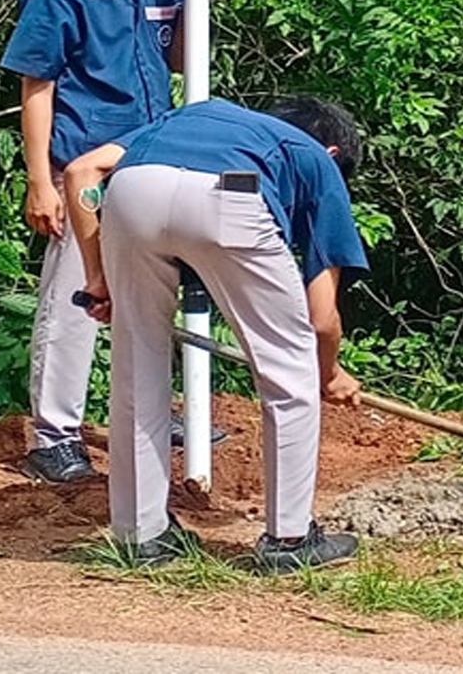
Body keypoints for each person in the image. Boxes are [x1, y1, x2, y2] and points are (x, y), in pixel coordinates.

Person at [63, 95, 367, 571]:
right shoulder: (313, 158)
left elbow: (81, 172)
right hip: (233, 196)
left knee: (137, 370)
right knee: (290, 375)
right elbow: (321, 320)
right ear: (332, 152)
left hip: (131, 194)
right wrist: (327, 374)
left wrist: (98, 278)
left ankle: (141, 537)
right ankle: (290, 541)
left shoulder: (195, 115)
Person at [1, 0, 220, 484]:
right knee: (77, 299)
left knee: (152, 297)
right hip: (84, 170)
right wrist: (40, 179)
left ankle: (154, 410)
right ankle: (54, 435)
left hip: (153, 160)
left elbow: (180, 59)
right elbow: (36, 84)